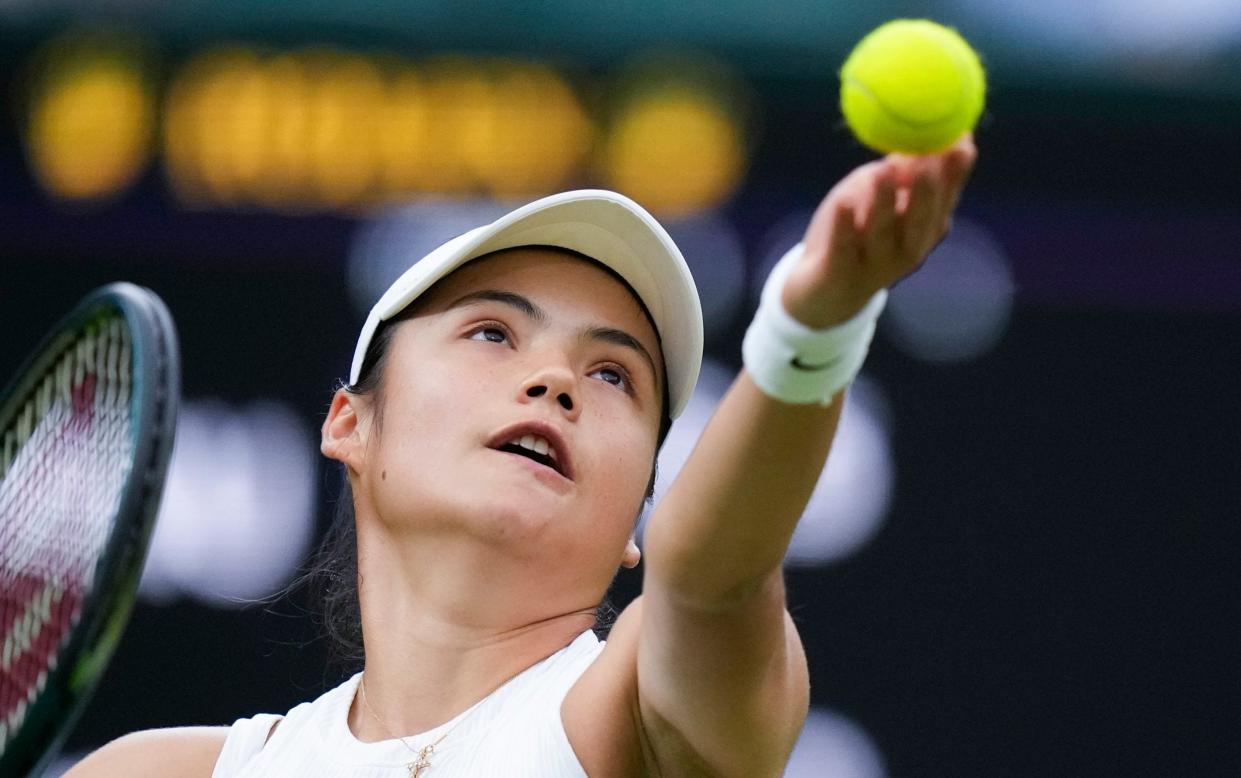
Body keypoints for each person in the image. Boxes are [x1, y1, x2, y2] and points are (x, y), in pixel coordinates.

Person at [66, 136, 976, 777]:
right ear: (350, 423)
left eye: (615, 375)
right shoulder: (152, 776)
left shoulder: (633, 726)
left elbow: (714, 577)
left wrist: (816, 322)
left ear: (637, 521)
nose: (555, 381)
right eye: (493, 332)